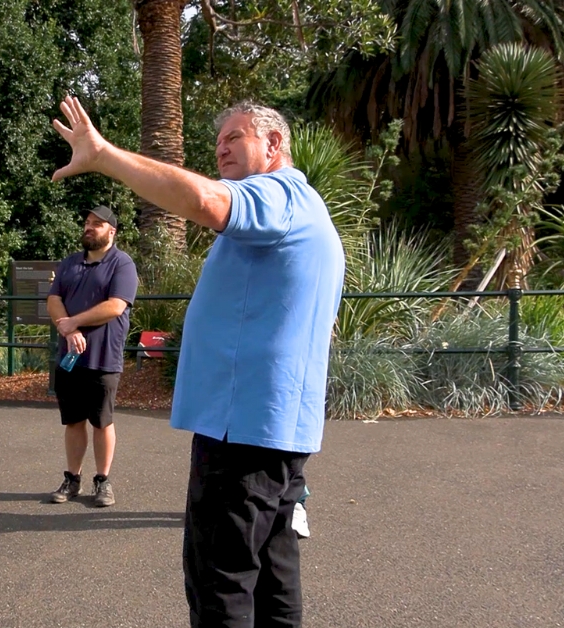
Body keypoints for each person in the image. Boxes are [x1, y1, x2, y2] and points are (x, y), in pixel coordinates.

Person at [50, 96, 344, 627]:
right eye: (218, 140)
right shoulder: (309, 211)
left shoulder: (277, 194)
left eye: (235, 137)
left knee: (220, 582)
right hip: (279, 432)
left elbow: (209, 202)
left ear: (274, 145)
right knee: (274, 577)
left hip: (241, 433)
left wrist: (104, 155)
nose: (221, 147)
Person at [46, 205, 138, 507]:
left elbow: (115, 306)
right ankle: (72, 479)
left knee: (101, 421)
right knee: (73, 421)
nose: (88, 228)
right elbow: (54, 299)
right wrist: (68, 330)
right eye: (86, 222)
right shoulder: (71, 263)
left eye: (96, 224)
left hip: (103, 357)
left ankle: (103, 481)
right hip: (70, 356)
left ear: (111, 231)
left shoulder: (122, 264)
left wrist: (76, 321)